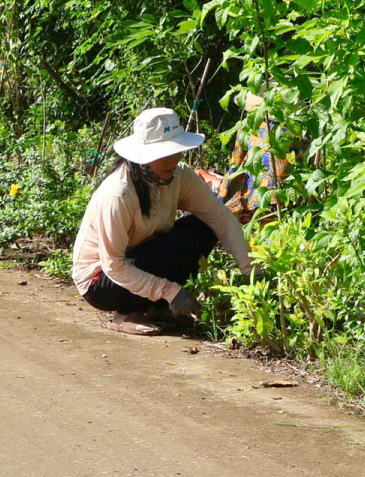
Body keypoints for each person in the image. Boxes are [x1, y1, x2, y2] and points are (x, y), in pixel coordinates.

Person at [71, 107, 253, 336]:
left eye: (176, 151)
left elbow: (221, 219)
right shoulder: (118, 194)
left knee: (201, 228)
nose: (173, 159)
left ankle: (154, 308)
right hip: (101, 281)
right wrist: (170, 291)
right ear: (143, 158)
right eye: (164, 154)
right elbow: (113, 266)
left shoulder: (181, 176)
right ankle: (126, 313)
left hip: (141, 258)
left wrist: (251, 273)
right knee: (167, 252)